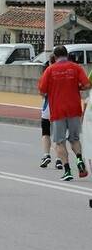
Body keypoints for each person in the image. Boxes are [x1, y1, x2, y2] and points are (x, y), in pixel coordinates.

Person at [38, 45, 91, 181]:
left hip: (58, 110)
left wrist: (53, 90)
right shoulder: (76, 68)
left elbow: (42, 91)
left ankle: (67, 170)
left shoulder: (50, 70)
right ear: (66, 55)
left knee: (59, 142)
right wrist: (76, 87)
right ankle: (79, 160)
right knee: (74, 139)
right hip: (74, 109)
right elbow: (86, 85)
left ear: (55, 57)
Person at [40, 55, 63, 169]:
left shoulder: (48, 72)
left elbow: (42, 90)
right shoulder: (64, 73)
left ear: (50, 62)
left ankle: (46, 155)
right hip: (61, 106)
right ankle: (59, 159)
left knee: (46, 132)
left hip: (48, 105)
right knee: (59, 134)